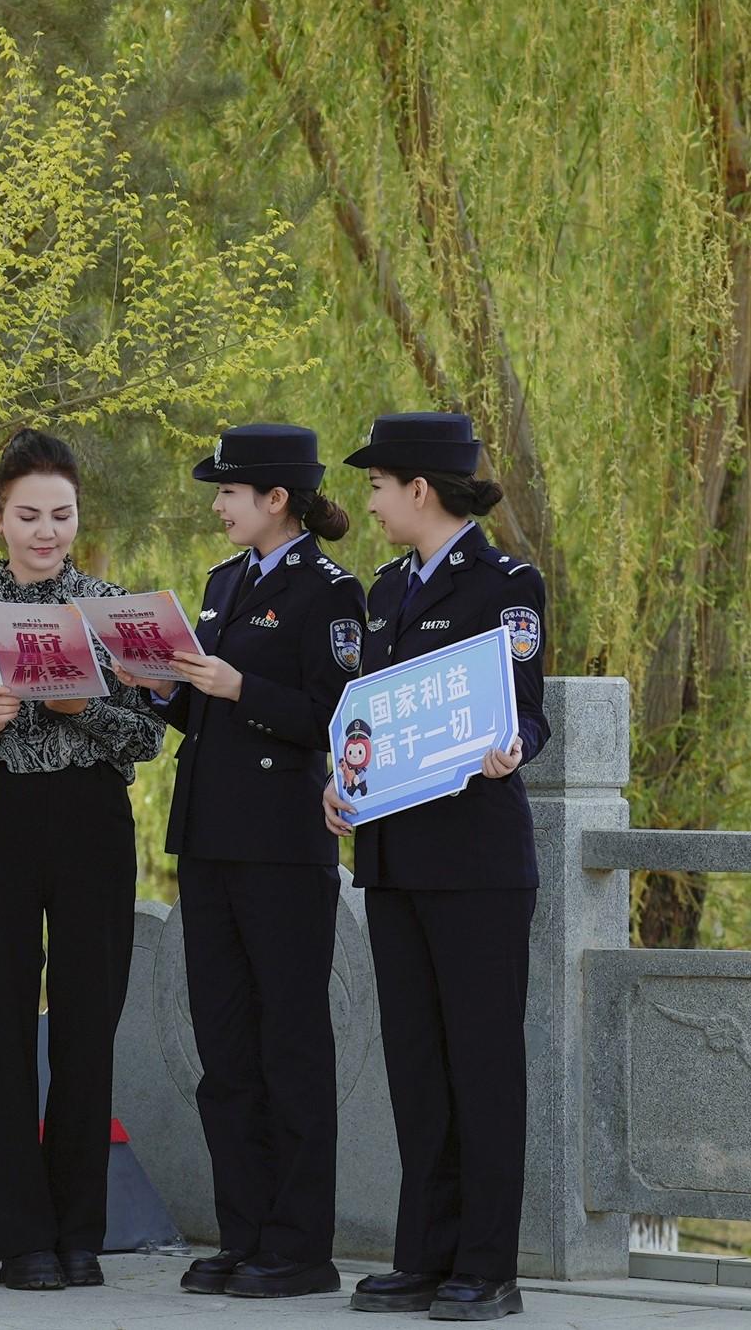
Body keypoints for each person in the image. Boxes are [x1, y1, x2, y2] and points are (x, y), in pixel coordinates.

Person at [112, 424, 363, 1299]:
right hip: (211, 834)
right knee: (222, 1045)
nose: (217, 505)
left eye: (227, 490)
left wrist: (238, 686)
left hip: (283, 842)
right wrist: (167, 689)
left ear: (274, 498)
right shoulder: (223, 583)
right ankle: (244, 1231)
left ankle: (298, 1245)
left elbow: (338, 714)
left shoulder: (330, 592)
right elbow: (207, 711)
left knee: (288, 1041)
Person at [324, 412, 549, 1323]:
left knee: (481, 1065)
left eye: (378, 486)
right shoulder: (385, 591)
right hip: (393, 858)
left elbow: (525, 708)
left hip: (475, 862)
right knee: (415, 1067)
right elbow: (367, 719)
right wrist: (339, 780)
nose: (371, 503)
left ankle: (486, 1266)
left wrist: (510, 745)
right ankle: (422, 1256)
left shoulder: (505, 584)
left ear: (418, 488)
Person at [0, 430, 163, 1292]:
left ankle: (77, 1231)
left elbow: (147, 737)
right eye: (28, 515)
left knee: (86, 1021)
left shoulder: (110, 611)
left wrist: (80, 707)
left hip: (91, 817)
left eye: (60, 515)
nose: (45, 531)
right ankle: (18, 1236)